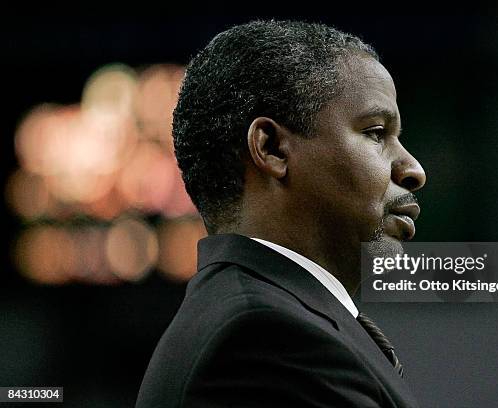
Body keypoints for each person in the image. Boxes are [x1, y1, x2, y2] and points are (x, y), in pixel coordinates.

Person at [136, 20, 426, 408]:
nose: (413, 169)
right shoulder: (265, 335)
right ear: (271, 148)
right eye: (376, 132)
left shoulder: (266, 316)